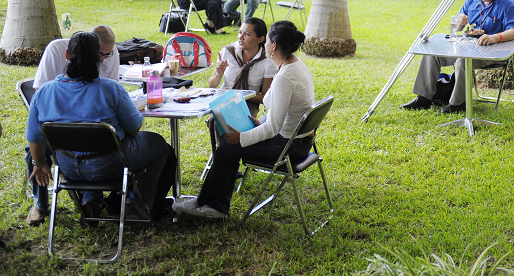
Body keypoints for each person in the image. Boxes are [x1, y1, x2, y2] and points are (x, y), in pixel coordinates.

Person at [26, 32, 174, 224]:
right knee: (160, 145)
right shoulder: (111, 89)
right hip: (109, 165)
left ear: (67, 55)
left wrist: (39, 164)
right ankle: (137, 204)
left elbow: (34, 137)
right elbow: (134, 129)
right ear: (99, 58)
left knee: (85, 146)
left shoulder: (44, 92)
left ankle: (90, 200)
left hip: (67, 166)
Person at [173, 21, 314, 219]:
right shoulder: (293, 65)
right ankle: (215, 205)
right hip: (299, 141)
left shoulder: (285, 76)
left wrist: (242, 138)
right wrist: (260, 121)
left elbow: (273, 129)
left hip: (288, 145)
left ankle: (207, 204)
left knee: (226, 151)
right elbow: (277, 114)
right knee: (228, 151)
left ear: (272, 45)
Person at [24, 25, 121, 226]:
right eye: (99, 55)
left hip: (91, 122)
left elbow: (108, 93)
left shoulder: (110, 60)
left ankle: (91, 200)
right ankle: (40, 204)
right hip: (59, 122)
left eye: (107, 55)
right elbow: (40, 98)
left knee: (88, 143)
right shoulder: (54, 53)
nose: (103, 59)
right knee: (33, 152)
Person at [401, 0, 514, 114]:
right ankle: (424, 98)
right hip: (466, 44)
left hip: (490, 50)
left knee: (463, 61)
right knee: (431, 54)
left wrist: (493, 37)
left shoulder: (506, 3)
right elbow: (458, 27)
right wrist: (459, 21)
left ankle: (457, 103)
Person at [209, 18, 276, 118]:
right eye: (240, 32)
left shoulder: (267, 61)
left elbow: (265, 97)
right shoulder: (228, 51)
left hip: (248, 103)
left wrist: (239, 95)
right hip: (224, 100)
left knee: (237, 122)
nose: (240, 37)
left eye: (247, 34)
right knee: (216, 119)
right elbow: (212, 84)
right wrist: (218, 75)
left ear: (261, 39)